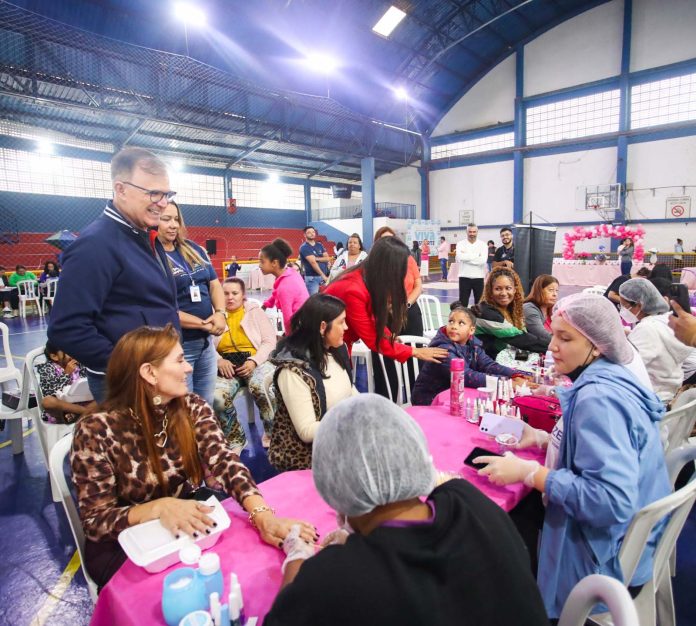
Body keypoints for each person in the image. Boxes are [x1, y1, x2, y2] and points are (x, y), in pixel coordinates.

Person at [265, 394, 549, 626]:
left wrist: (297, 555)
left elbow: (287, 610)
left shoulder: (333, 580)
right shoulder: (469, 502)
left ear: (334, 484)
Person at [70, 325, 316, 588]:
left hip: (187, 520)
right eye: (179, 360)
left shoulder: (191, 407)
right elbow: (96, 521)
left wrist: (264, 516)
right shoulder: (96, 430)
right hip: (126, 542)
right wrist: (157, 508)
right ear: (149, 373)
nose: (189, 367)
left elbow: (225, 462)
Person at [475, 293, 669, 620]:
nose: (552, 346)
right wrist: (542, 438)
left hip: (603, 559)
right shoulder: (609, 377)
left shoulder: (599, 399)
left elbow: (610, 499)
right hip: (631, 546)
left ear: (597, 345)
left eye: (565, 338)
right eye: (554, 333)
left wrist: (531, 474)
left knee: (492, 539)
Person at [48, 147, 180, 402]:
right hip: (129, 383)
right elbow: (66, 328)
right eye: (153, 193)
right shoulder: (96, 244)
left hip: (157, 374)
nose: (162, 203)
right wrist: (130, 366)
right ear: (120, 189)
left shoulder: (144, 235)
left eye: (167, 194)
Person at [325, 236, 447, 399]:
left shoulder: (367, 278)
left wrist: (388, 335)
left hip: (336, 345)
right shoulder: (353, 289)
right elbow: (373, 339)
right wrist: (415, 351)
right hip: (322, 349)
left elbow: (372, 318)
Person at [268, 294, 358, 471]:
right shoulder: (293, 371)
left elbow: (350, 390)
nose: (346, 327)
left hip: (336, 444)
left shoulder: (334, 350)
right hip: (308, 461)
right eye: (341, 322)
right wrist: (351, 422)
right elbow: (307, 431)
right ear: (323, 327)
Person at [158, 200, 225, 405]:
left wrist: (221, 312)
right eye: (166, 219)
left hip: (206, 344)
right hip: (179, 346)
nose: (173, 225)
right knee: (183, 409)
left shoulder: (193, 249)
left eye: (176, 219)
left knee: (204, 406)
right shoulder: (152, 256)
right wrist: (205, 324)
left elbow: (214, 284)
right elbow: (164, 308)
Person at [412, 303, 528, 406]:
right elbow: (466, 376)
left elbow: (489, 365)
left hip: (453, 396)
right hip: (429, 400)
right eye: (451, 321)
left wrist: (517, 374)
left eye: (461, 323)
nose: (454, 326)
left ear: (471, 330)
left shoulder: (473, 345)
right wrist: (506, 382)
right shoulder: (443, 349)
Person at [213, 278, 277, 453]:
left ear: (243, 295)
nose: (230, 297)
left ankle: (272, 433)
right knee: (217, 396)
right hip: (226, 366)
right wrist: (219, 359)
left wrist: (254, 360)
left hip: (255, 361)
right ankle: (235, 439)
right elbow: (206, 345)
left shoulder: (255, 312)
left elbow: (269, 341)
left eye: (235, 293)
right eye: (225, 293)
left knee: (260, 386)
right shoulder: (214, 315)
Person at [619, 279, 692, 403]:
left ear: (639, 305)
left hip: (649, 397)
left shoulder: (647, 328)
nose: (623, 310)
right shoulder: (666, 320)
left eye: (625, 306)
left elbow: (627, 365)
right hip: (669, 391)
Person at [473, 268, 548, 360]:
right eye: (498, 289)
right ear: (490, 291)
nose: (503, 293)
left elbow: (522, 334)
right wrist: (553, 346)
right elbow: (518, 338)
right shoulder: (485, 312)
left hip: (502, 357)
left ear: (515, 290)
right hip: (483, 362)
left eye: (508, 288)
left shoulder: (513, 310)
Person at [373, 226, 424, 335]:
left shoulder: (409, 259)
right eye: (384, 239)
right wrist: (388, 307)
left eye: (392, 238)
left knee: (415, 348)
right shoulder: (374, 264)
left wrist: (406, 305)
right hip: (385, 313)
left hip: (409, 310)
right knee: (388, 349)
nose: (389, 242)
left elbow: (418, 286)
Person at [36, 341, 96, 424]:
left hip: (85, 402)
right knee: (47, 401)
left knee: (108, 391)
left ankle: (82, 413)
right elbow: (49, 392)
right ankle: (86, 412)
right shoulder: (47, 369)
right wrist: (66, 374)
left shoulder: (79, 364)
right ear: (54, 356)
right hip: (64, 410)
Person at [259, 239, 309, 334]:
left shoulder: (284, 287)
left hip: (301, 329)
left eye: (262, 262)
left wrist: (289, 340)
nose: (259, 265)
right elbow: (276, 293)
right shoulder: (290, 272)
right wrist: (266, 304)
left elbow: (288, 320)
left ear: (274, 263)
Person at [523, 274, 560, 349]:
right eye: (551, 290)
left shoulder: (551, 308)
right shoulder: (529, 308)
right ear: (539, 290)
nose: (555, 294)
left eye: (556, 291)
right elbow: (542, 335)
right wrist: (564, 342)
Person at [455, 223, 488, 306]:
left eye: (474, 232)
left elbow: (482, 260)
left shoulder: (483, 244)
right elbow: (460, 258)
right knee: (463, 303)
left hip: (479, 277)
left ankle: (479, 319)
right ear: (466, 232)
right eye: (470, 232)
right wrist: (477, 255)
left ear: (477, 232)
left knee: (479, 304)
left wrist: (466, 257)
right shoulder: (460, 244)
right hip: (464, 277)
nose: (472, 234)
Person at [299, 226, 330, 294]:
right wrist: (323, 276)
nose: (312, 234)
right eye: (309, 232)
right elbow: (313, 263)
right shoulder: (304, 247)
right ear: (305, 235)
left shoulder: (319, 245)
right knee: (313, 300)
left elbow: (327, 258)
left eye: (313, 232)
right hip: (312, 278)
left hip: (323, 277)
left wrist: (316, 258)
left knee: (323, 299)